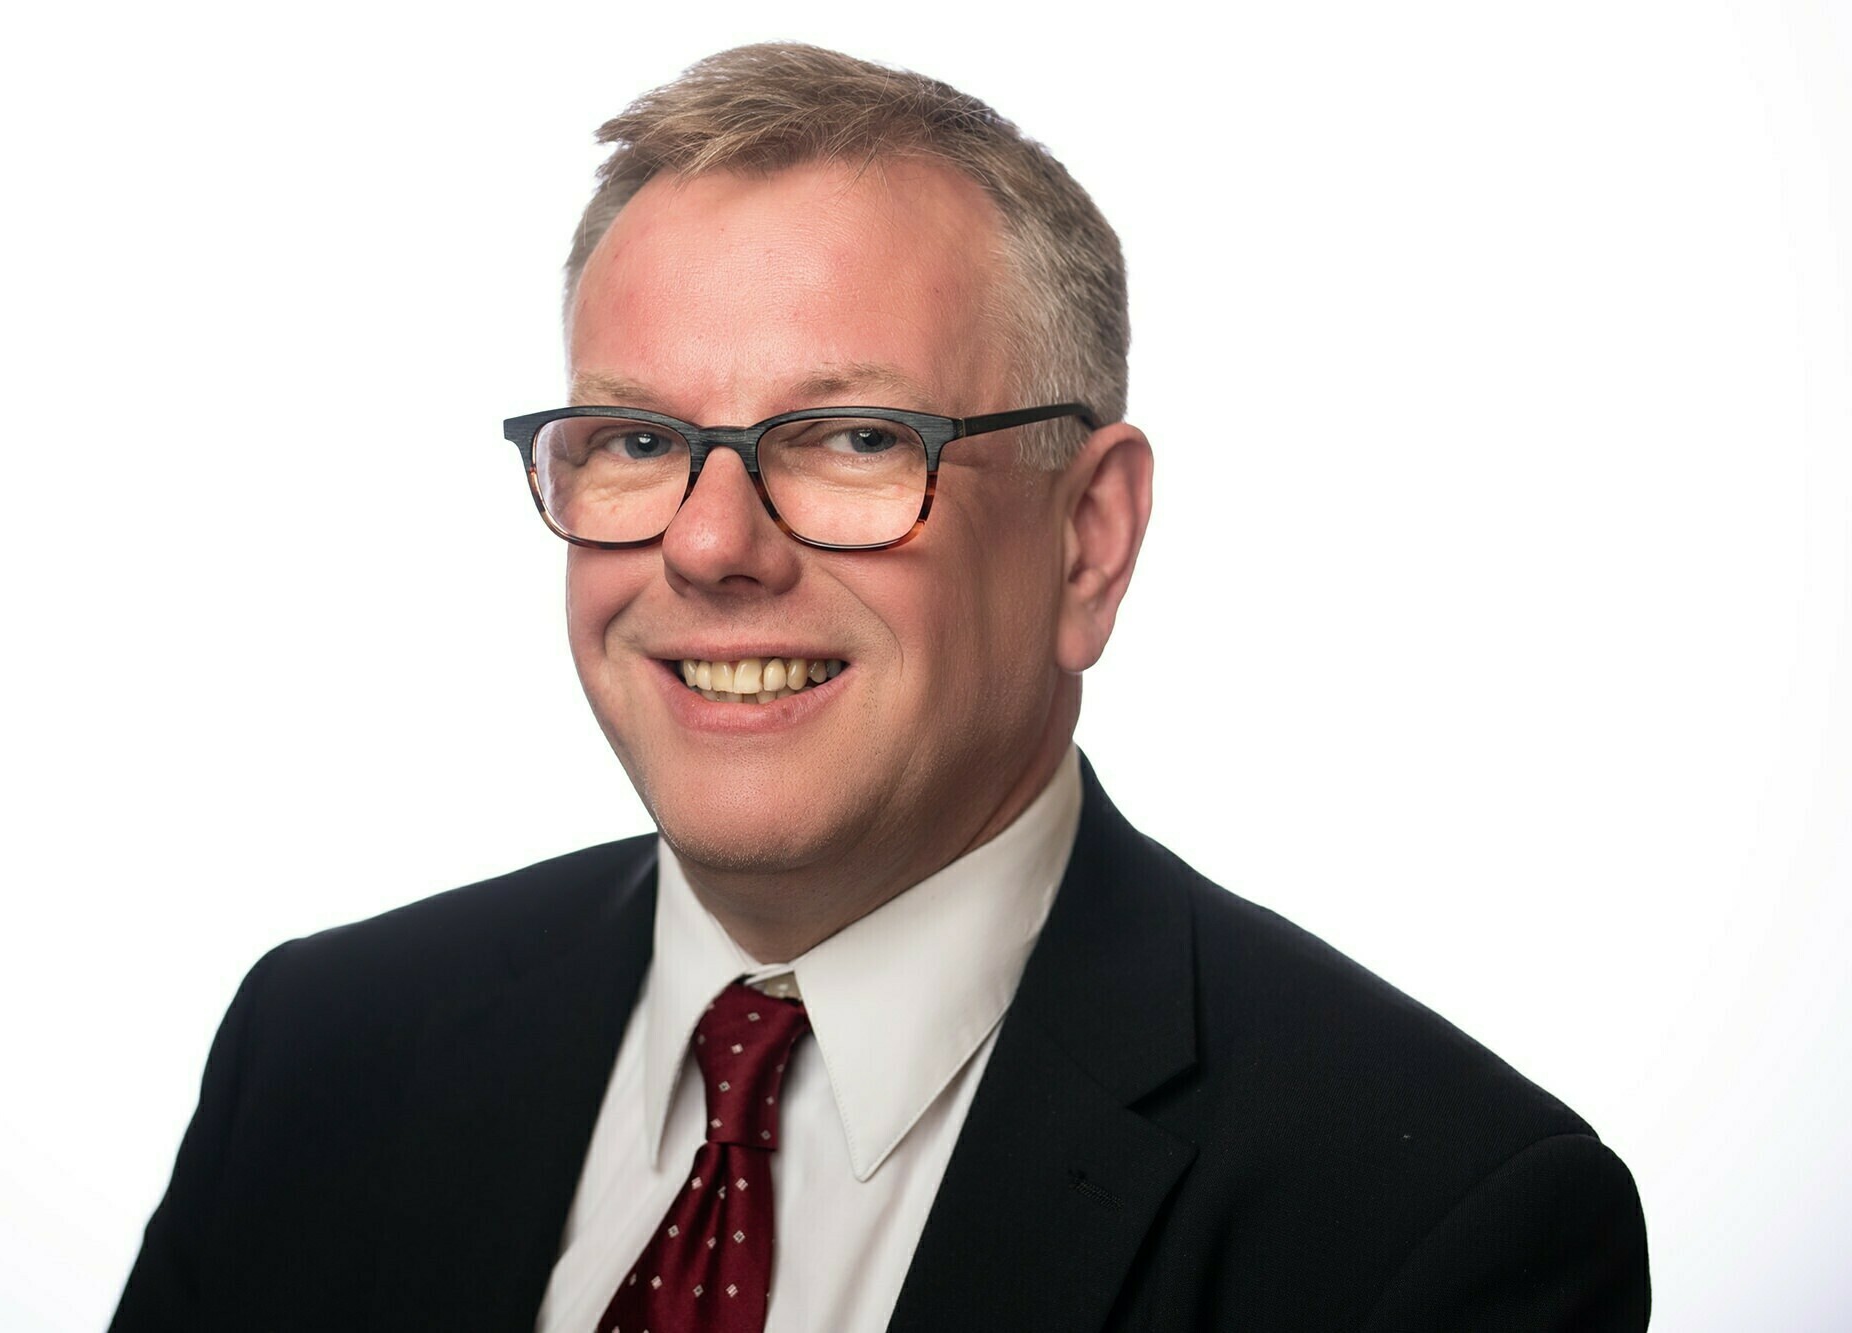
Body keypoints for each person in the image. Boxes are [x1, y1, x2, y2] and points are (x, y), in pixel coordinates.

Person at [111, 42, 1650, 1332]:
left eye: (852, 441)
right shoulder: (319, 1054)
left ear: (1086, 540)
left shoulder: (1434, 1228)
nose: (712, 545)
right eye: (638, 440)